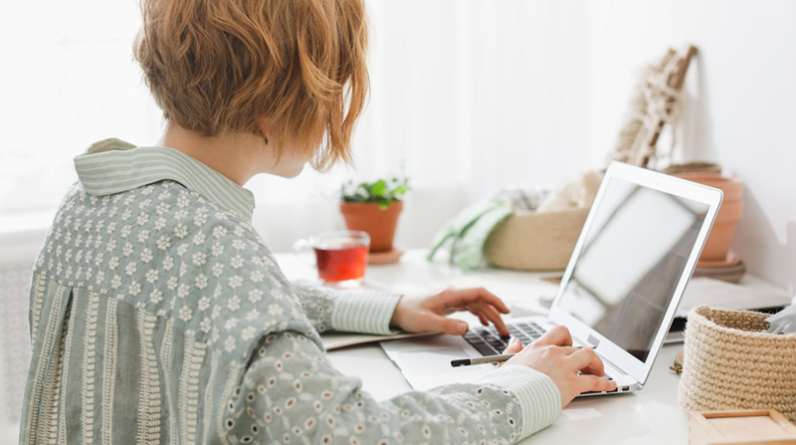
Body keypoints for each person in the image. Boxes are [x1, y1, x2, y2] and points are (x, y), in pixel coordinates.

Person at [19, 0, 615, 443]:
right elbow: (354, 434)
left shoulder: (97, 196)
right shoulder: (212, 244)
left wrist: (389, 309)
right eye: (331, 89)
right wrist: (525, 386)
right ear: (274, 102)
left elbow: (206, 300)